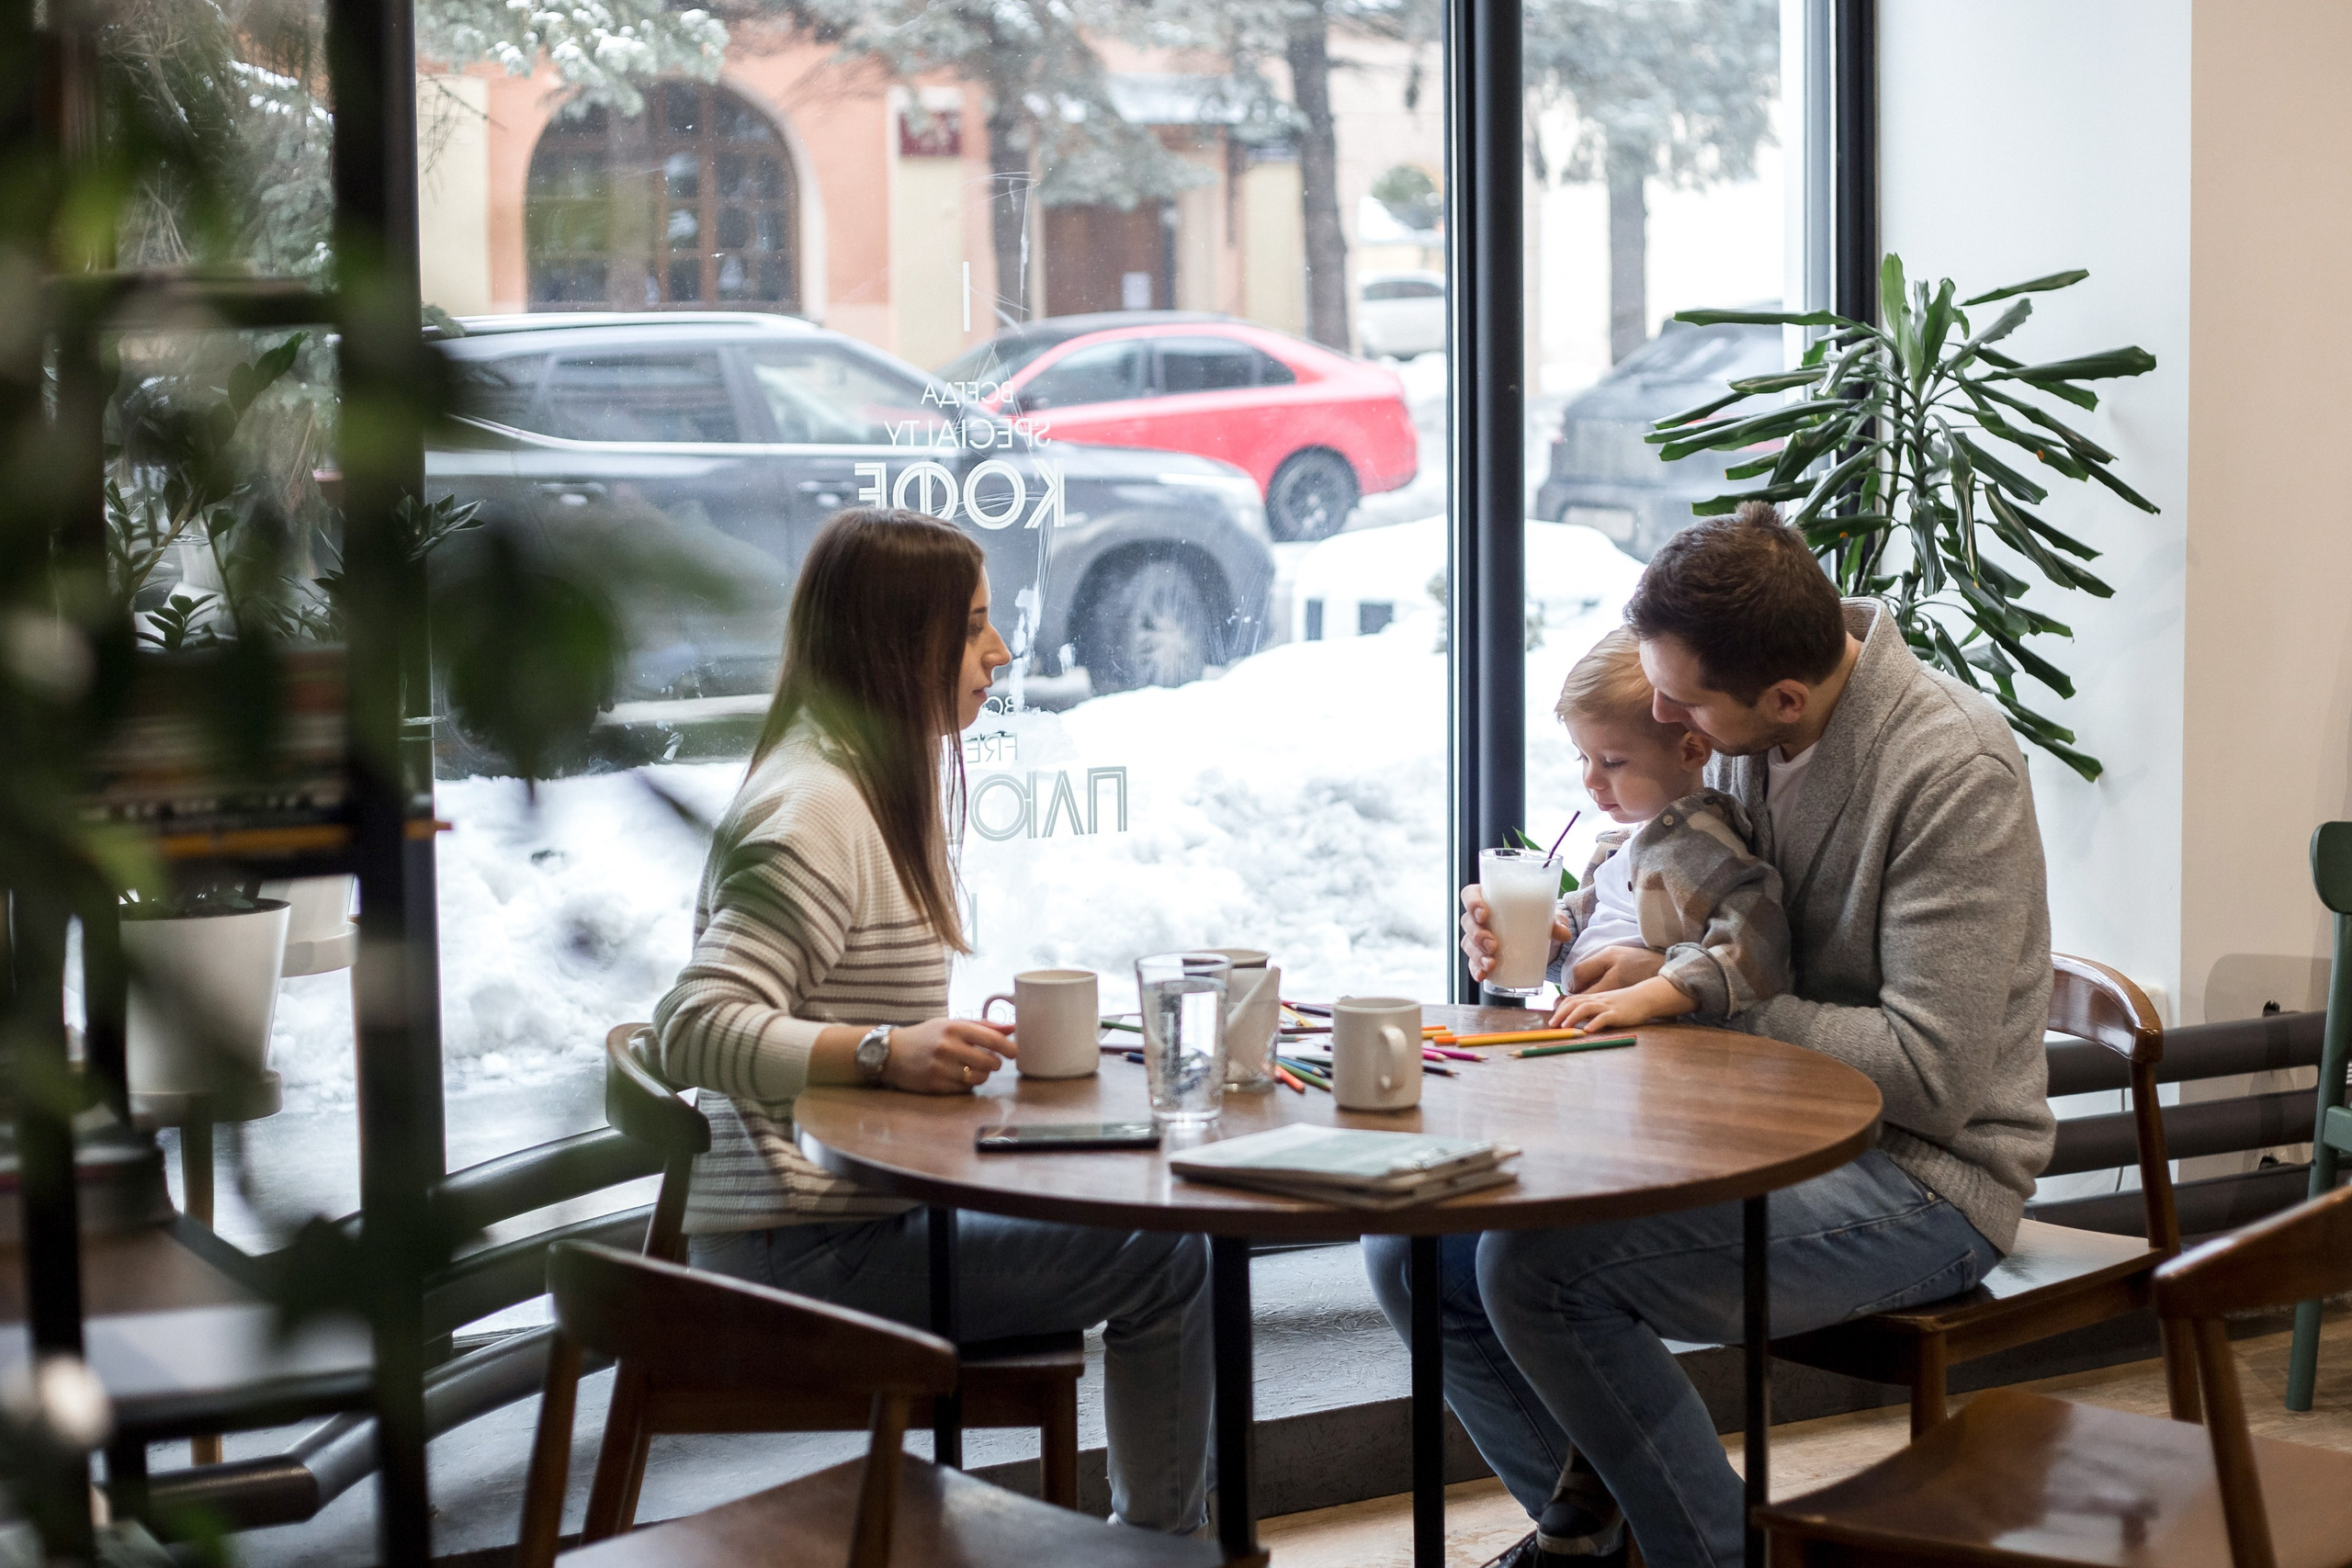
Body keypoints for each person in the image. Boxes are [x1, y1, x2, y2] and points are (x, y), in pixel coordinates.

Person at [1366, 502, 2054, 1568]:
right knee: (1415, 1253)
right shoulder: (1742, 734)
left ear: (1780, 696)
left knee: (1537, 1272)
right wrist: (1570, 951)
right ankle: (1601, 1541)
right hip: (1740, 1135)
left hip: (1925, 1179)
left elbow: (1934, 1073)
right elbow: (1692, 938)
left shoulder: (1951, 773)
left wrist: (1697, 996)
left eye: (1679, 699)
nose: (1657, 713)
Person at [654, 508, 1211, 1534]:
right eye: (970, 628)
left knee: (1130, 1212)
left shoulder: (858, 774)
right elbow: (692, 1023)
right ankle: (1163, 1553)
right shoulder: (817, 806)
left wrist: (917, 1058)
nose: (998, 653)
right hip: (797, 1257)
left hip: (828, 1226)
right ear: (890, 640)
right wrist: (880, 1052)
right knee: (1172, 1254)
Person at [1534, 626, 1789, 1033]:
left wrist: (1648, 994)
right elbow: (1592, 923)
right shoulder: (1626, 842)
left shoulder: (1702, 849)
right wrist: (1545, 937)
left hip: (1658, 1048)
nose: (1591, 780)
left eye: (1613, 762)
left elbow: (1753, 953)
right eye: (1582, 757)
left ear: (1690, 750)